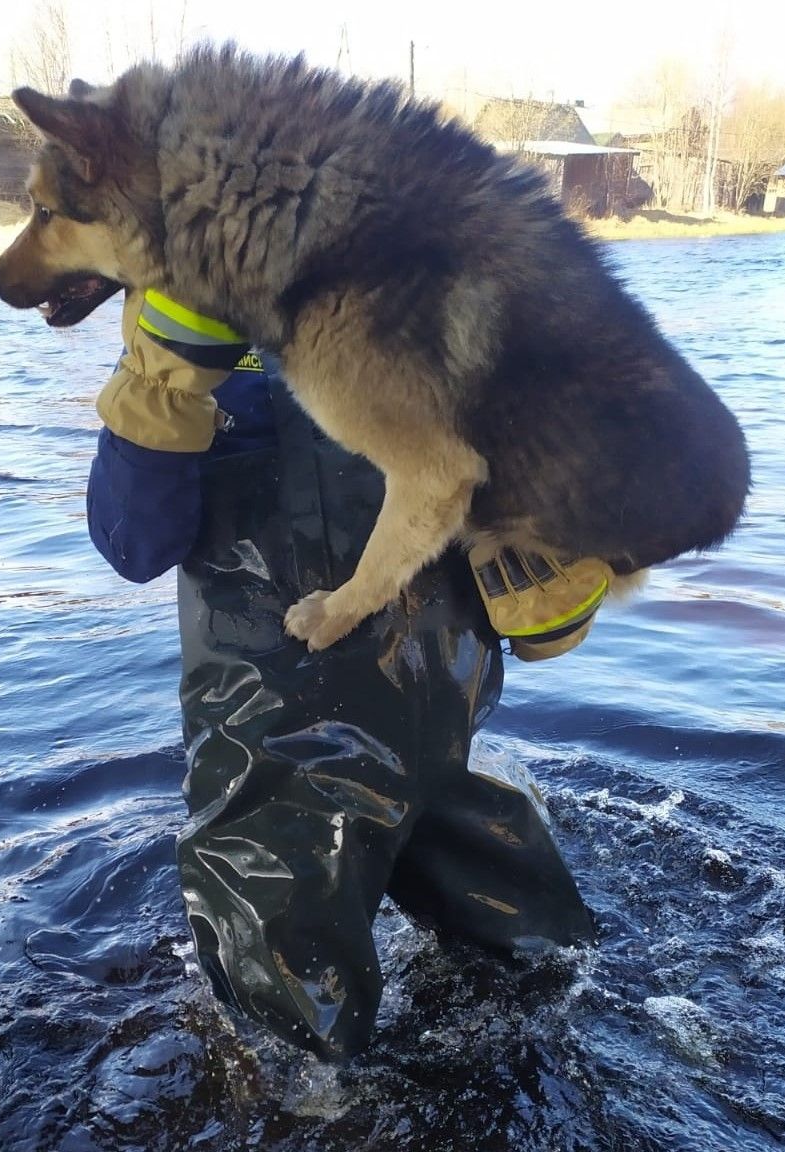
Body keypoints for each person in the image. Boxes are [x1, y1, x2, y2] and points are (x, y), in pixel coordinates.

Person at [87, 289, 597, 1061]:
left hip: (282, 761)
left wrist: (157, 385)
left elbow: (134, 544)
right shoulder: (445, 289)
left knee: (285, 1047)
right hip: (445, 732)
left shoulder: (189, 325)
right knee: (540, 972)